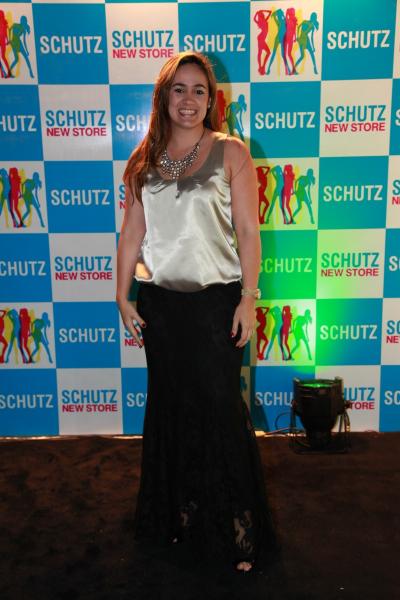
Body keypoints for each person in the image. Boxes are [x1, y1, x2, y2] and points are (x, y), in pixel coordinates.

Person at [116, 51, 274, 573]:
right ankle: (180, 515)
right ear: (164, 97)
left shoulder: (232, 152)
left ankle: (236, 532)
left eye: (199, 90)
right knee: (171, 411)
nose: (189, 100)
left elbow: (248, 231)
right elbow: (132, 233)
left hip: (215, 306)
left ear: (211, 99)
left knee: (220, 414)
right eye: (179, 89)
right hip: (161, 308)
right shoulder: (143, 159)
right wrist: (121, 295)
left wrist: (248, 298)